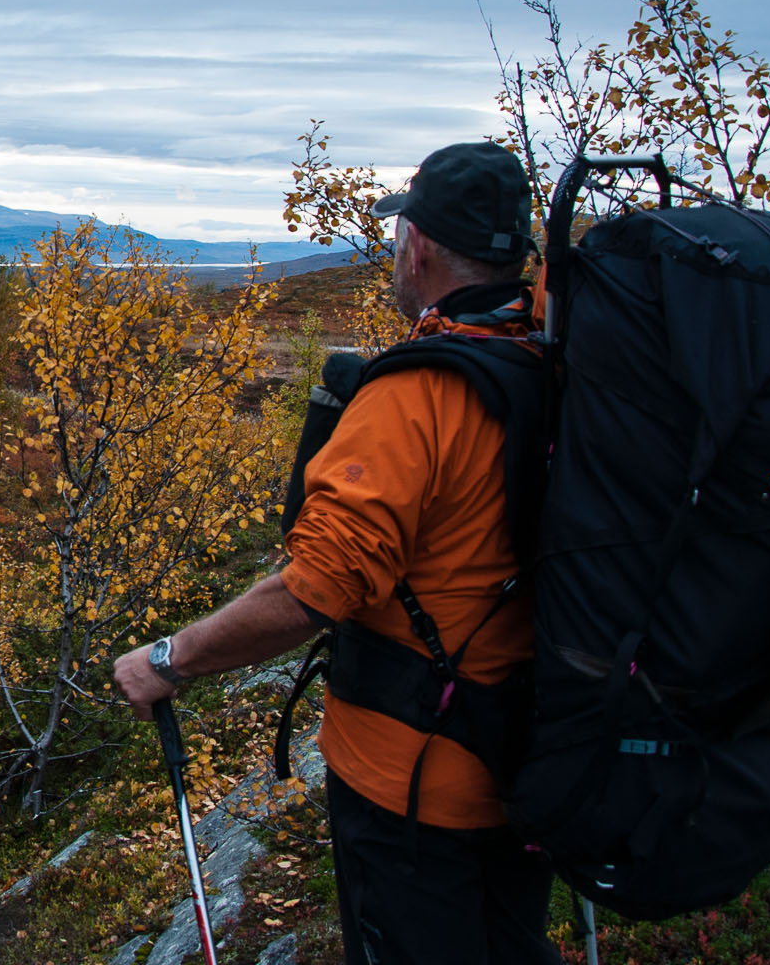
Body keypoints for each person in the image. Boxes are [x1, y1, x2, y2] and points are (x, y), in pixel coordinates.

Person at [112, 141, 555, 965]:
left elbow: (316, 590)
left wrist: (169, 660)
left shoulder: (419, 397)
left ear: (417, 246)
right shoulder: (545, 362)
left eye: (399, 235)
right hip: (525, 761)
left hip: (414, 784)